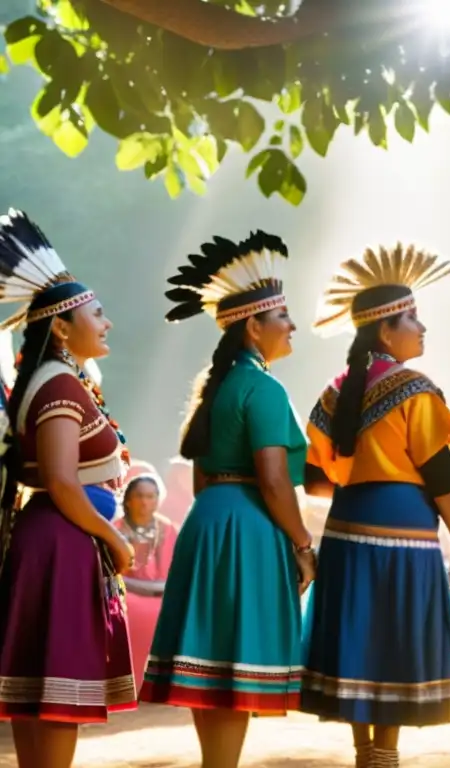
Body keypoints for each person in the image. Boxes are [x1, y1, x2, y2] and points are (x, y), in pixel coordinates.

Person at [141, 232, 315, 768]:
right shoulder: (263, 389)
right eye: (282, 316)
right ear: (253, 327)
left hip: (208, 520)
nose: (291, 327)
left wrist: (219, 517)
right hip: (247, 523)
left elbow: (199, 476)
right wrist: (302, 541)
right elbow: (273, 477)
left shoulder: (215, 387)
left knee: (211, 659)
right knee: (236, 661)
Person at [301, 244, 450, 768]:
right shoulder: (415, 389)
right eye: (412, 318)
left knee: (357, 634)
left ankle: (363, 752)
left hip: (348, 526)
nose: (422, 328)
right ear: (384, 331)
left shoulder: (334, 392)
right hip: (405, 532)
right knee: (394, 636)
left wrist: (363, 482)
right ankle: (386, 755)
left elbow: (315, 482)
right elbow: (441, 475)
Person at [0, 210, 136, 766]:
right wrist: (115, 539)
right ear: (61, 326)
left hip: (60, 541)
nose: (106, 323)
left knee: (46, 697)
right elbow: (59, 480)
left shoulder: (63, 379)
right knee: (57, 697)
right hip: (61, 543)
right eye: (96, 314)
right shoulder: (57, 382)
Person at [115, 473, 180, 693]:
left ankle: (164, 684)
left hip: (164, 594)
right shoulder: (115, 528)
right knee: (128, 610)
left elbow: (177, 570)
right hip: (126, 593)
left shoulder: (168, 528)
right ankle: (128, 684)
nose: (145, 501)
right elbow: (111, 573)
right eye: (139, 496)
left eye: (151, 496)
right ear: (128, 500)